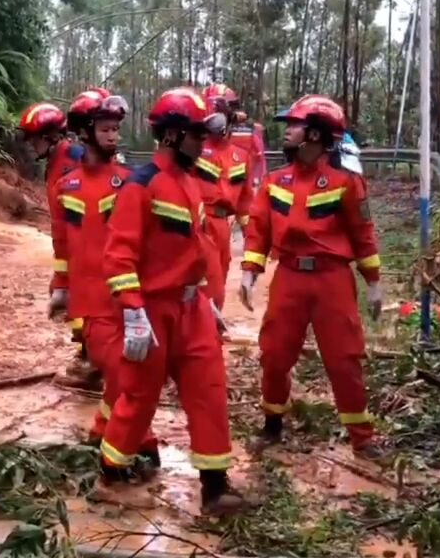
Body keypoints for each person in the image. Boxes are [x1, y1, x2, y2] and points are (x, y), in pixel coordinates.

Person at [101, 87, 246, 516]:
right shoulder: (140, 185)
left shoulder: (192, 181)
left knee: (209, 390)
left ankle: (215, 488)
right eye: (196, 135)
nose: (204, 143)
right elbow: (119, 255)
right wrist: (132, 312)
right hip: (153, 308)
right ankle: (110, 471)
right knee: (140, 396)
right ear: (170, 136)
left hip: (191, 306)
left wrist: (205, 296)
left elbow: (196, 245)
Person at [239, 94, 388, 461]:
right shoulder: (276, 181)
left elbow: (362, 232)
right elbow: (258, 229)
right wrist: (249, 271)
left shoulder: (346, 182)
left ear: (317, 135)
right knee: (274, 354)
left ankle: (362, 439)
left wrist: (373, 281)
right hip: (289, 277)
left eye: (294, 125)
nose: (287, 131)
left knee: (344, 358)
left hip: (332, 280)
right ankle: (272, 425)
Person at [49, 90, 158, 467]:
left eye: (116, 128)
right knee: (123, 376)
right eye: (105, 128)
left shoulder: (132, 182)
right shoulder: (66, 187)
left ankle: (106, 436)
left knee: (126, 377)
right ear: (83, 132)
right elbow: (61, 242)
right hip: (90, 305)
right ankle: (140, 445)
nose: (113, 135)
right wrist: (59, 288)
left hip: (126, 299)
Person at [20, 101, 99, 390]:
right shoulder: (56, 164)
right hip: (73, 250)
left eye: (34, 138)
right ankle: (89, 358)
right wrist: (61, 277)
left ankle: (93, 365)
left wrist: (66, 278)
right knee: (75, 307)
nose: (30, 144)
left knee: (86, 307)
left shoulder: (75, 160)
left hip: (89, 249)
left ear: (52, 136)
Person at [195, 85, 252, 312]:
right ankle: (203, 332)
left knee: (221, 275)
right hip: (198, 222)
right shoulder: (193, 149)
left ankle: (210, 327)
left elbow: (245, 202)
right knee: (206, 281)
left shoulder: (240, 155)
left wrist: (250, 237)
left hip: (222, 226)